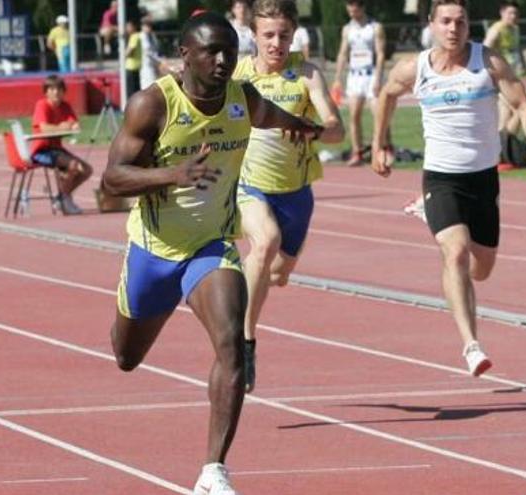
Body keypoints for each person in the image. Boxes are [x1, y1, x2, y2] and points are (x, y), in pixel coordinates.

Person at [100, 12, 321, 494]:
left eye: (229, 52)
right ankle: (130, 318)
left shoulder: (241, 98)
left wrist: (302, 126)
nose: (223, 61)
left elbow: (267, 115)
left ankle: (213, 472)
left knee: (230, 343)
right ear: (185, 56)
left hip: (211, 246)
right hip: (153, 251)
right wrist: (170, 176)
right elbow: (110, 181)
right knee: (126, 356)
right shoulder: (152, 105)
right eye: (211, 52)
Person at [370, 0, 526, 377]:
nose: (454, 29)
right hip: (441, 176)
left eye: (461, 22)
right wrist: (378, 144)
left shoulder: (487, 63)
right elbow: (386, 95)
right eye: (446, 22)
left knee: (480, 269)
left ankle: (427, 211)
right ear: (433, 25)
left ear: (469, 25)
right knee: (454, 252)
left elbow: (523, 104)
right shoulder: (415, 68)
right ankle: (471, 345)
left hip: (483, 179)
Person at [234, 0, 344, 393]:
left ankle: (246, 285)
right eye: (268, 35)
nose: (276, 43)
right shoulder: (238, 74)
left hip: (296, 194)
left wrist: (312, 128)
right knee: (264, 243)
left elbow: (337, 129)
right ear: (254, 35)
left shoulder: (306, 74)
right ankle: (243, 343)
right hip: (250, 186)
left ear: (293, 34)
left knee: (276, 275)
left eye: (283, 35)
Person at [332, 0, 387, 167]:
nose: (351, 10)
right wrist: (337, 78)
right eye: (349, 6)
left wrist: (378, 78)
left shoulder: (375, 28)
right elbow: (342, 54)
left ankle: (380, 149)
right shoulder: (347, 29)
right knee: (353, 115)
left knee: (378, 114)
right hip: (355, 76)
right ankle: (358, 152)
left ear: (362, 7)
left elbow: (381, 54)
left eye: (354, 6)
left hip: (371, 75)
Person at [30, 75, 93, 215]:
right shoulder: (42, 105)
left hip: (57, 149)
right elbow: (44, 128)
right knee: (73, 166)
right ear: (46, 92)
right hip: (42, 151)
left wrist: (72, 125)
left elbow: (75, 125)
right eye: (52, 89)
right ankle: (64, 199)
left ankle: (62, 197)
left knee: (87, 170)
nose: (56, 92)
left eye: (59, 89)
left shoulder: (66, 106)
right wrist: (62, 127)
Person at [484, 1, 526, 134]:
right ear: (502, 13)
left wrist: (524, 63)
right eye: (510, 13)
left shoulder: (515, 29)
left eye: (515, 13)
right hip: (499, 78)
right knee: (518, 109)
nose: (513, 16)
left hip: (511, 75)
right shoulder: (496, 29)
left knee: (506, 110)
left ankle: (501, 145)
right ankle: (506, 143)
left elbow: (517, 48)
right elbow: (485, 49)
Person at [139, 19, 162, 89]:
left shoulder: (152, 36)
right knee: (147, 86)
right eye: (146, 26)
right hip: (146, 65)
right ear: (142, 27)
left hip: (154, 65)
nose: (148, 28)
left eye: (149, 26)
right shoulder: (142, 36)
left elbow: (156, 49)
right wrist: (160, 60)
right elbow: (148, 51)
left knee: (155, 85)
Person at [123, 20, 142, 99]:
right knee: (136, 91)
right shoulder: (139, 36)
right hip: (136, 66)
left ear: (134, 27)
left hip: (131, 67)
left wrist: (124, 54)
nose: (127, 29)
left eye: (128, 27)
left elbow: (130, 51)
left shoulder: (134, 36)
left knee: (131, 92)